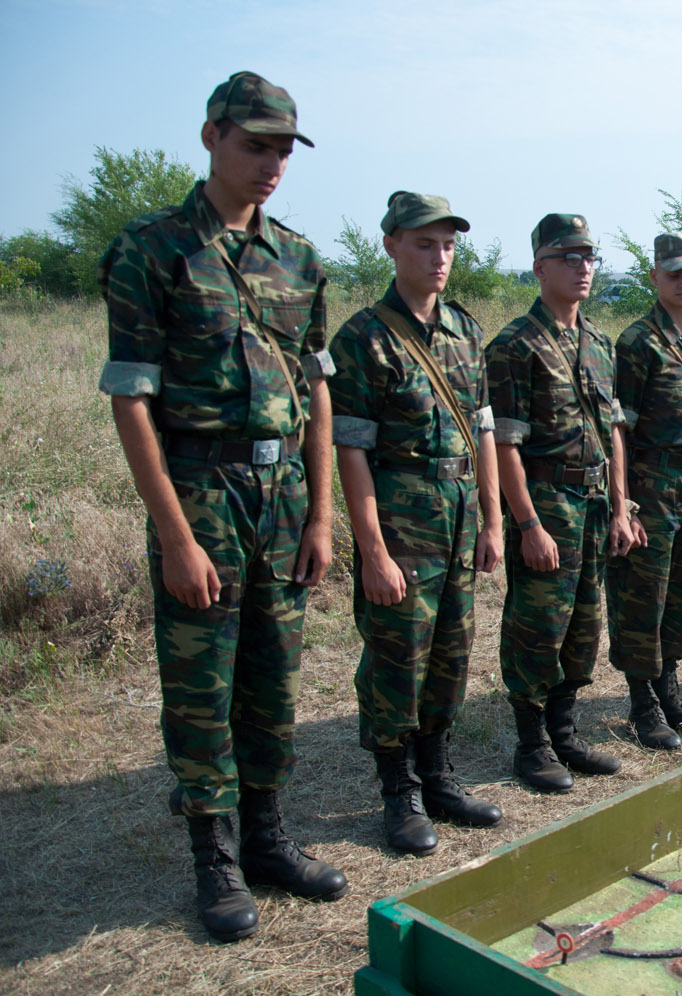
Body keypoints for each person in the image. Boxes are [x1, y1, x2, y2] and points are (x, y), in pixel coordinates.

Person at [98, 71, 347, 942]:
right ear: (211, 137)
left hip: (281, 498)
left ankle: (269, 838)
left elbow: (318, 393)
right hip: (198, 489)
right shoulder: (152, 250)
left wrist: (322, 516)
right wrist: (173, 536)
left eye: (283, 148)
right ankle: (216, 856)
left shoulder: (302, 259)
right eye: (255, 145)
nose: (272, 163)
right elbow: (132, 399)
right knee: (202, 684)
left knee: (274, 676)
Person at [328, 192, 505, 855]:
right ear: (391, 245)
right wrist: (371, 551)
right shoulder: (363, 337)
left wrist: (493, 519)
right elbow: (350, 450)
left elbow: (482, 432)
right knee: (396, 661)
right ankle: (398, 791)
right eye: (425, 243)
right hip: (402, 528)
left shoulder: (466, 331)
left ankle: (437, 774)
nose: (439, 257)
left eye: (448, 245)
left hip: (459, 523)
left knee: (451, 656)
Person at [484, 214, 644, 791]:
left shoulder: (599, 342)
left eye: (589, 256)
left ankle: (565, 733)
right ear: (540, 266)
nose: (583, 267)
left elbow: (615, 433)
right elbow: (503, 443)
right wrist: (525, 523)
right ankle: (532, 745)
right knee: (537, 625)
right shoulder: (513, 346)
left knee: (583, 623)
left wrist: (624, 507)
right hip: (547, 504)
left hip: (597, 503)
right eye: (568, 256)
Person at [607, 232, 682, 748]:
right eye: (675, 273)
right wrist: (625, 504)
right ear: (655, 276)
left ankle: (670, 693)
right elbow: (620, 431)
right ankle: (642, 704)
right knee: (643, 595)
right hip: (650, 484)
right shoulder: (636, 343)